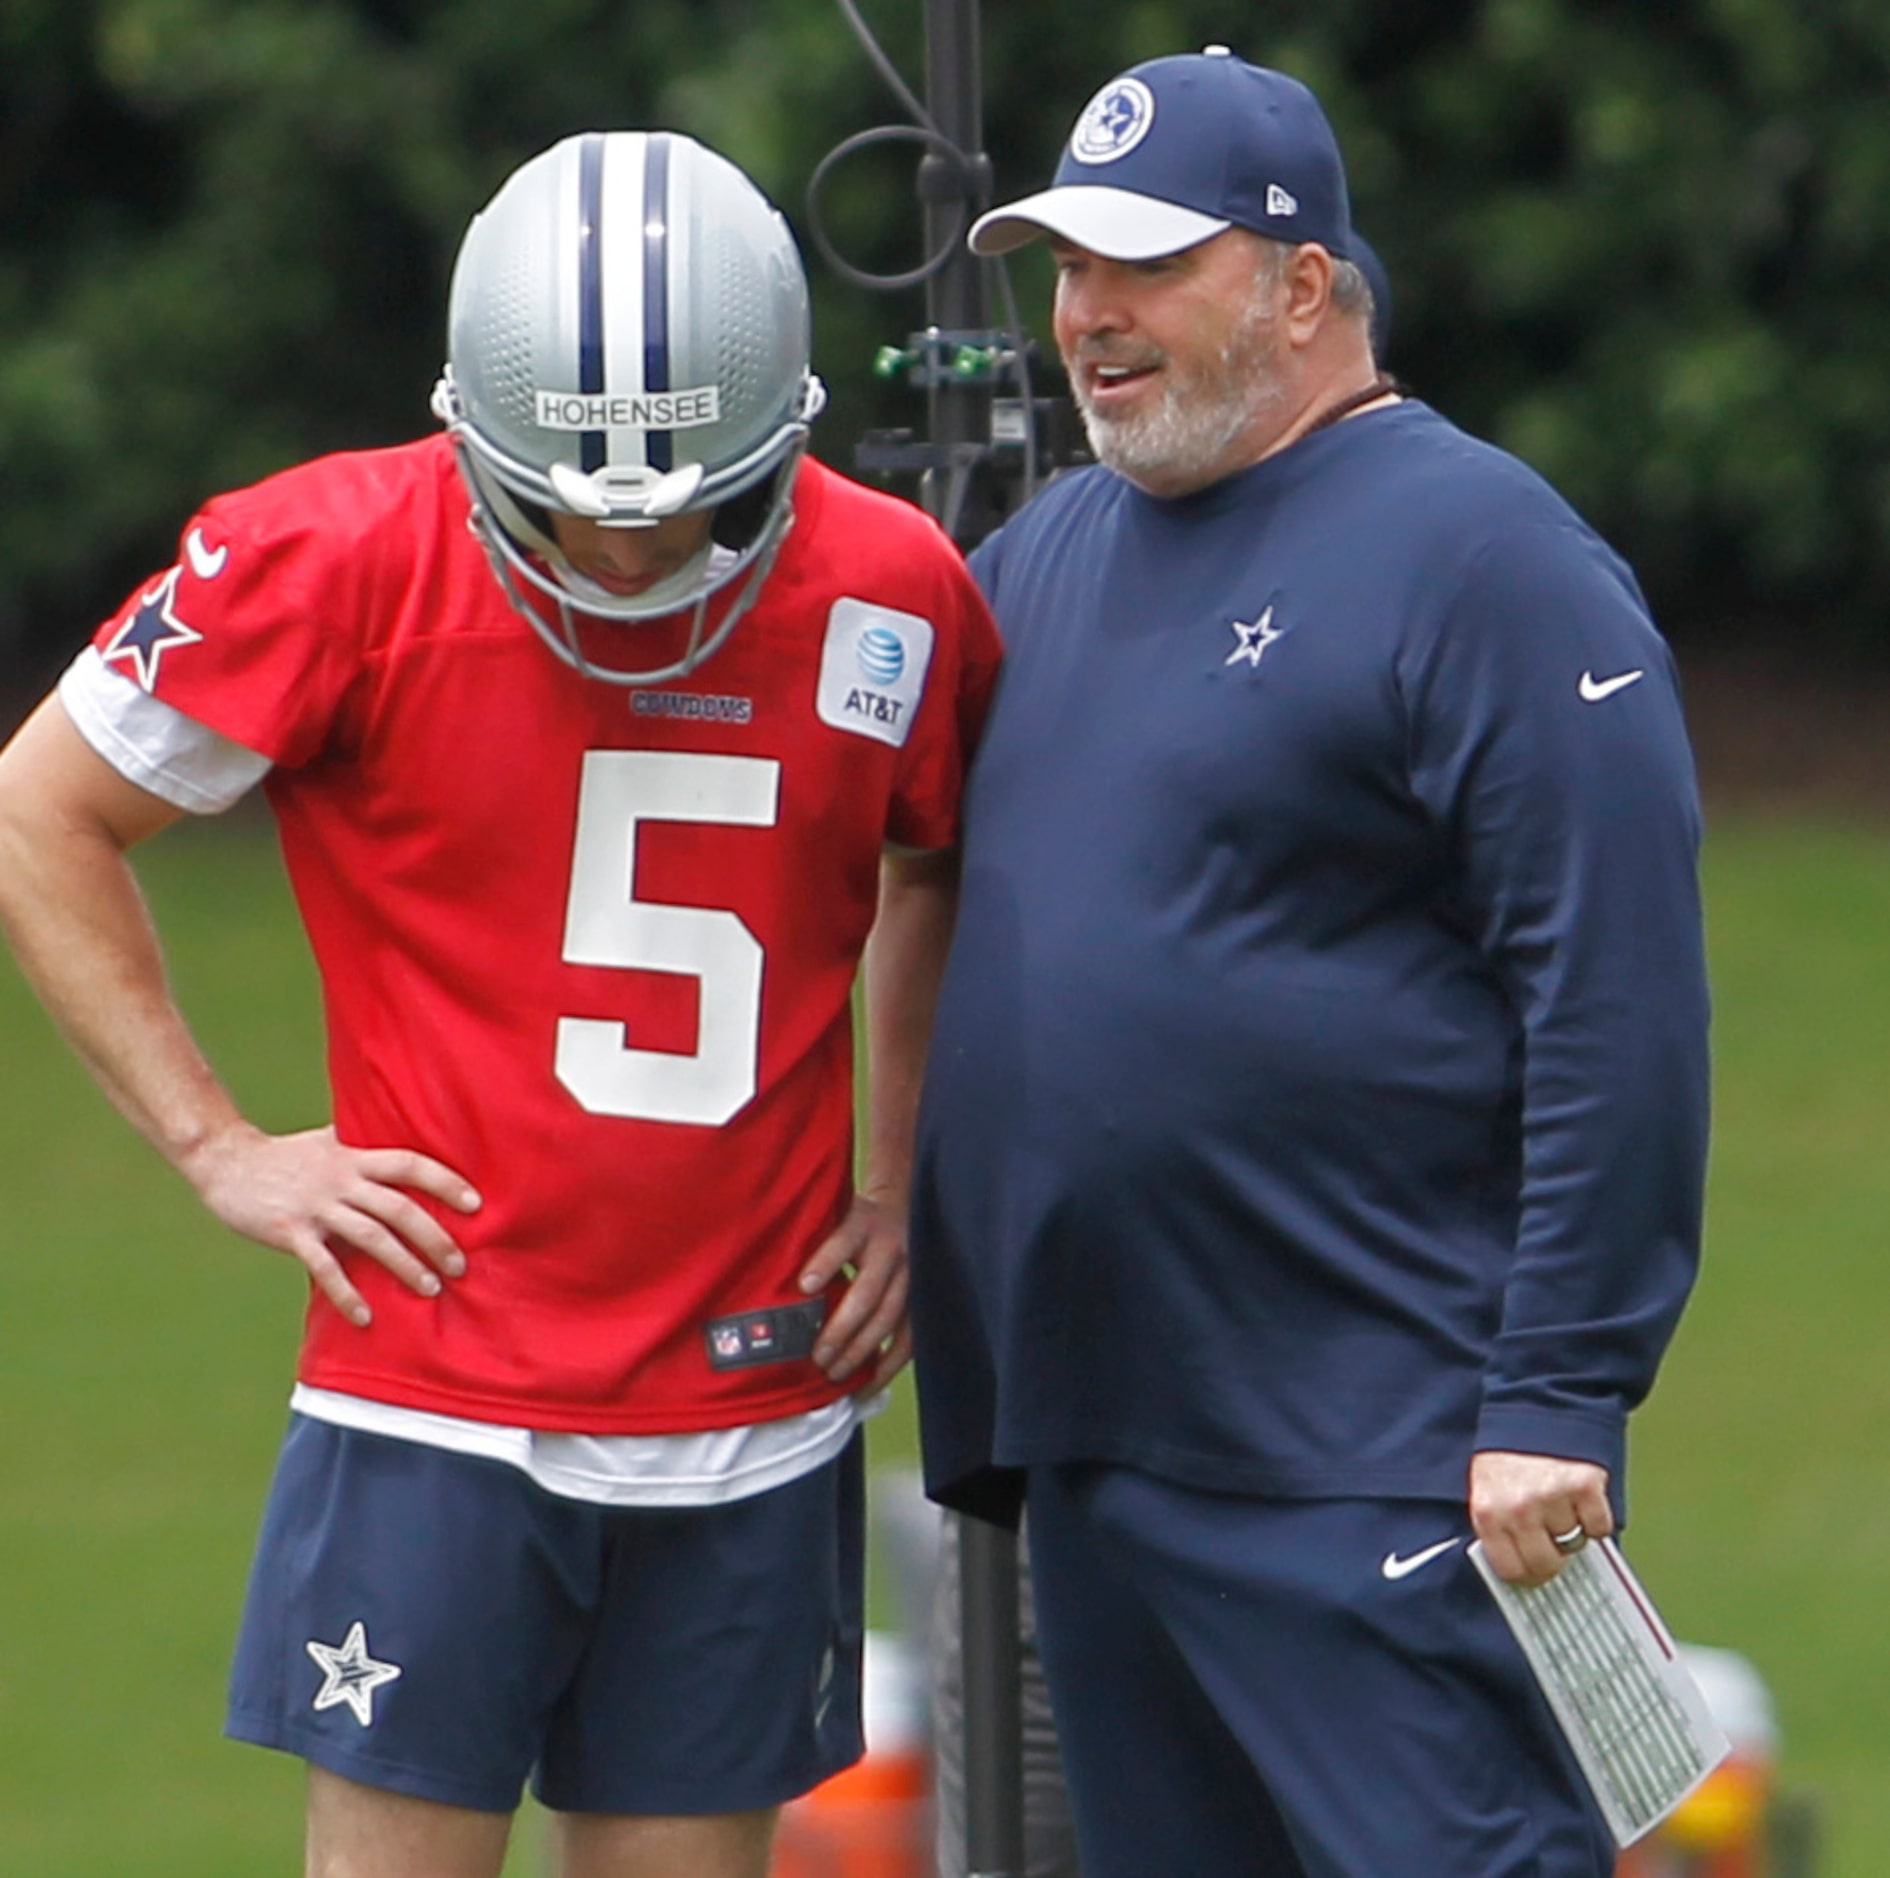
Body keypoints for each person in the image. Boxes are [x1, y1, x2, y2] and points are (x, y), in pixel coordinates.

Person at [0, 130, 998, 1878]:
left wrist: (895, 1179)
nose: (622, 562)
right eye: (569, 510)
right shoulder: (328, 554)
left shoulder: (896, 583)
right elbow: (38, 808)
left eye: (686, 505)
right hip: (434, 1397)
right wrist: (216, 1143)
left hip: (748, 1396)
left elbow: (937, 861)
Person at [909, 47, 1709, 1878]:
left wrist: (1556, 1391)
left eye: (1143, 266)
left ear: (1298, 284)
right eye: (1065, 271)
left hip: (1381, 1454)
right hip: (1102, 1441)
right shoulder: (1043, 555)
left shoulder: (1488, 555)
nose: (1087, 318)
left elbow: (1617, 1000)